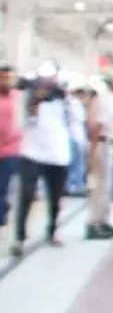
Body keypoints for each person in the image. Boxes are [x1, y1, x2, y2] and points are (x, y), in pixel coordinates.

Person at [11, 76, 73, 255]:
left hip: (57, 155)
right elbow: (20, 124)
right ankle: (20, 238)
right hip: (32, 153)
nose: (44, 91)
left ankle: (52, 231)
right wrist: (34, 104)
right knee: (26, 196)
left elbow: (73, 122)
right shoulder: (25, 100)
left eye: (47, 88)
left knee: (55, 197)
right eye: (41, 87)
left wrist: (65, 97)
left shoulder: (62, 102)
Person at [83, 77, 113, 240]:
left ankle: (103, 221)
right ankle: (94, 224)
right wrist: (92, 152)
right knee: (99, 187)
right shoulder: (103, 100)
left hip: (108, 143)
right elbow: (97, 126)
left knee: (106, 187)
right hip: (102, 143)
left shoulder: (110, 100)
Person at [0, 65, 21, 232]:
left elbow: (21, 124)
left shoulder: (18, 98)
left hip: (10, 150)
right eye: (2, 78)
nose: (5, 81)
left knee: (3, 185)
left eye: (8, 78)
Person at [64, 83, 89, 197]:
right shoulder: (74, 103)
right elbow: (81, 118)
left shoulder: (67, 102)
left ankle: (70, 185)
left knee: (73, 163)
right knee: (77, 164)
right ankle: (75, 186)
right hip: (76, 137)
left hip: (71, 136)